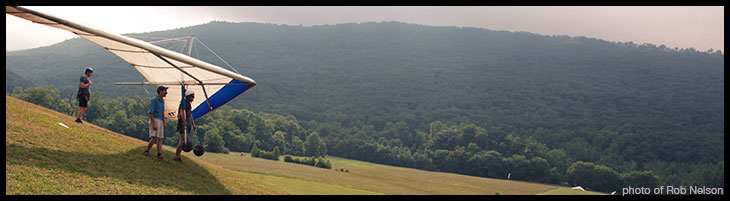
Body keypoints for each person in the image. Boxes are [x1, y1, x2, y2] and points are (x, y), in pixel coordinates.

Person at [144, 86, 168, 159]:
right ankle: (147, 150)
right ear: (160, 91)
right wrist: (153, 122)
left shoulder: (162, 101)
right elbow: (151, 112)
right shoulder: (154, 100)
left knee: (160, 138)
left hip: (160, 119)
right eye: (165, 91)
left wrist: (163, 122)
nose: (166, 93)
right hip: (155, 118)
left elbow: (162, 112)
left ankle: (159, 153)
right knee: (155, 137)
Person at [173, 89, 196, 163]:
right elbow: (181, 112)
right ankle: (177, 156)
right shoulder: (184, 103)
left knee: (183, 140)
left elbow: (190, 115)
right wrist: (184, 121)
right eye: (191, 97)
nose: (193, 98)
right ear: (188, 96)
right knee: (182, 139)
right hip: (183, 124)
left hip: (188, 124)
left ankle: (178, 155)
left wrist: (193, 124)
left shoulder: (188, 104)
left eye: (193, 97)